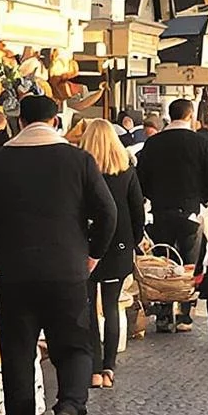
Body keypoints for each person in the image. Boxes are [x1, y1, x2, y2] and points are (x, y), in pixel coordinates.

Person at [0, 96, 115, 415]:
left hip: (17, 273)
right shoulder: (78, 160)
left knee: (18, 355)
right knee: (75, 347)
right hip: (68, 271)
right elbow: (107, 211)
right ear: (56, 121)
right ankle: (70, 406)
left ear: (19, 123)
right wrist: (93, 254)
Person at [135, 97, 208, 332]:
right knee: (188, 263)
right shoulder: (201, 143)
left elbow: (141, 177)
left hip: (160, 211)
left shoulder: (153, 143)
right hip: (191, 212)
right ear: (190, 115)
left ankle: (163, 314)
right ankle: (184, 314)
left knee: (163, 262)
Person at [71, 118, 146, 389]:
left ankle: (93, 368)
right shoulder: (126, 170)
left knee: (88, 307)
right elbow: (138, 210)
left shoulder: (80, 169)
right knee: (113, 306)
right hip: (119, 245)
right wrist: (134, 240)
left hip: (86, 244)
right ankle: (109, 368)